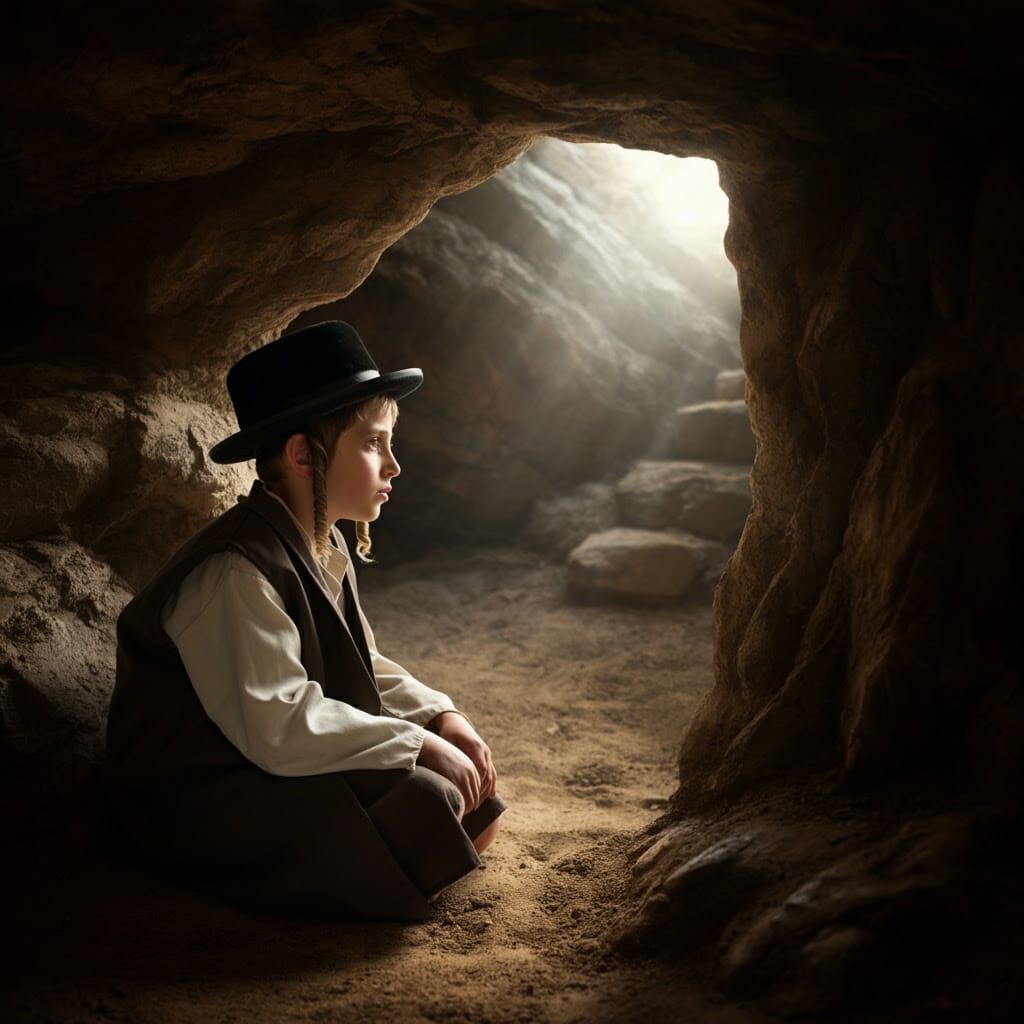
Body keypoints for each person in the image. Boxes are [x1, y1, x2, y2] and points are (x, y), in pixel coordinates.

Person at [101, 320, 507, 922]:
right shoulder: (233, 572)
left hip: (265, 753)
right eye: (374, 444)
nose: (393, 466)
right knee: (429, 800)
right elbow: (279, 721)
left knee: (471, 795)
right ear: (302, 457)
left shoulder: (321, 543)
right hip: (202, 793)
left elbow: (362, 663)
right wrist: (412, 745)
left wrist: (439, 716)